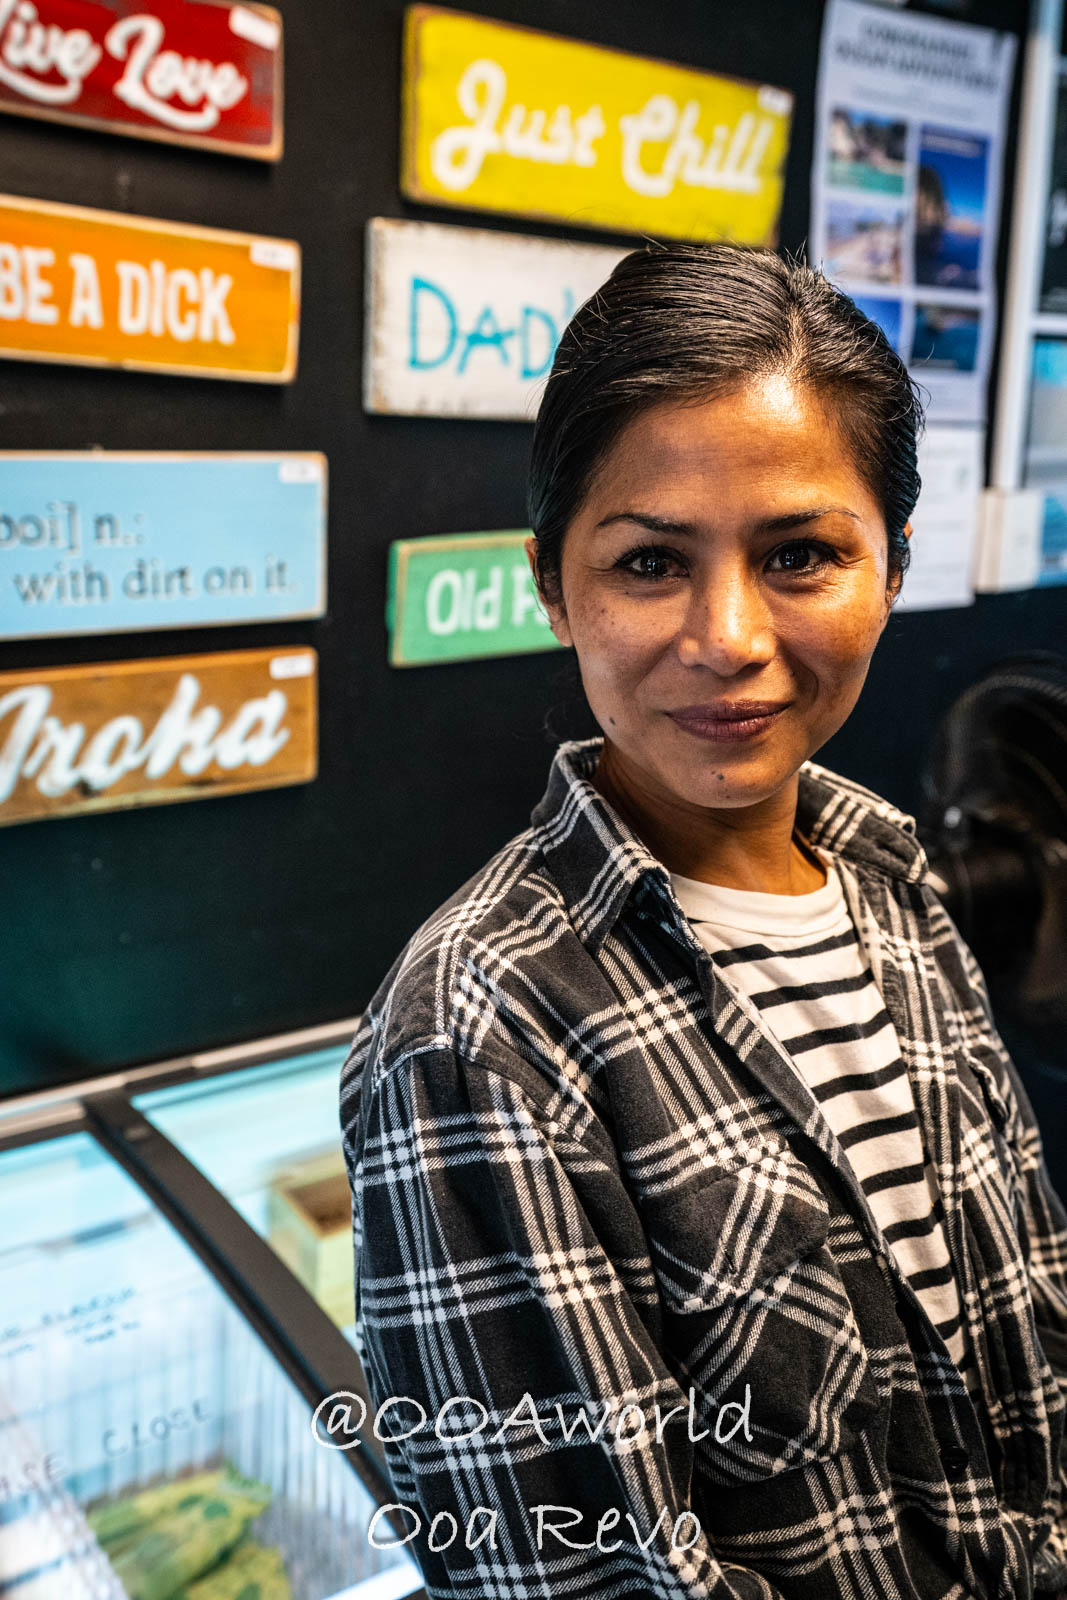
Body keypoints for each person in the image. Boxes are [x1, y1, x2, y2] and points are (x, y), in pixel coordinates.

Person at [339, 242, 1067, 1600]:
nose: (729, 636)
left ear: (892, 568)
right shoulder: (479, 1031)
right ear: (555, 583)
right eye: (651, 563)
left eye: (800, 553)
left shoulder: (898, 884)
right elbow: (560, 1573)